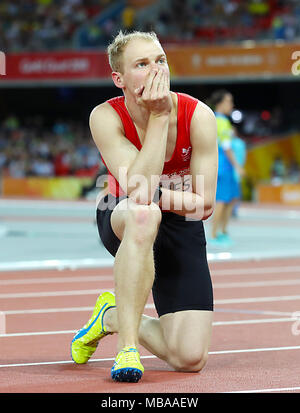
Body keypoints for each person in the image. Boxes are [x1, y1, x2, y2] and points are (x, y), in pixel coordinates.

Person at [71, 30, 218, 383]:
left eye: (160, 60)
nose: (156, 71)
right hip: (121, 211)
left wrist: (156, 194)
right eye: (142, 64)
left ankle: (110, 315)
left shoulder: (198, 116)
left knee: (189, 357)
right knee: (143, 212)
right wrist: (158, 118)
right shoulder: (104, 116)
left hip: (181, 222)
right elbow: (137, 192)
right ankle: (128, 349)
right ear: (118, 79)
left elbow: (205, 204)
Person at [207, 90, 244, 247]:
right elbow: (226, 146)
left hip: (225, 167)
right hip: (223, 167)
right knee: (222, 200)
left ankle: (222, 231)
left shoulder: (220, 120)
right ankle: (215, 235)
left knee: (231, 199)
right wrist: (237, 166)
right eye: (229, 101)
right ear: (220, 103)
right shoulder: (220, 120)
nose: (232, 105)